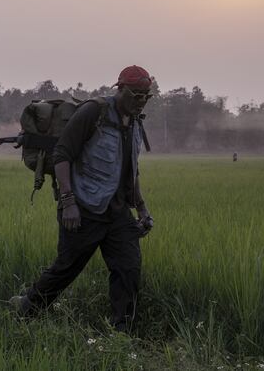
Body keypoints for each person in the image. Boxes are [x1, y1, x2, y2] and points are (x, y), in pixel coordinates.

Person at [10, 65, 156, 333]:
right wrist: (68, 202)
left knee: (129, 270)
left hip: (118, 213)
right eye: (136, 95)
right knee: (66, 269)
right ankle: (26, 310)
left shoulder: (136, 121)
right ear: (119, 89)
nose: (141, 101)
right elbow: (62, 155)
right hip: (84, 208)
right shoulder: (94, 112)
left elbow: (130, 169)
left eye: (146, 96)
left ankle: (121, 333)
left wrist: (143, 209)